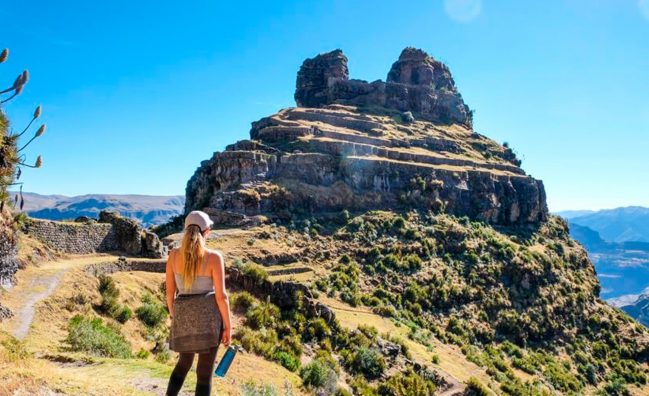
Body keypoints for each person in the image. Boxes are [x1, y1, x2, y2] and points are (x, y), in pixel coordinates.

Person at [165, 210, 232, 396]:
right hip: (209, 320)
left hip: (184, 317)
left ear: (186, 231)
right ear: (206, 232)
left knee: (182, 365)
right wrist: (228, 326)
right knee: (204, 373)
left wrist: (175, 316)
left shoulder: (173, 256)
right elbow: (221, 297)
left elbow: (170, 292)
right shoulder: (214, 257)